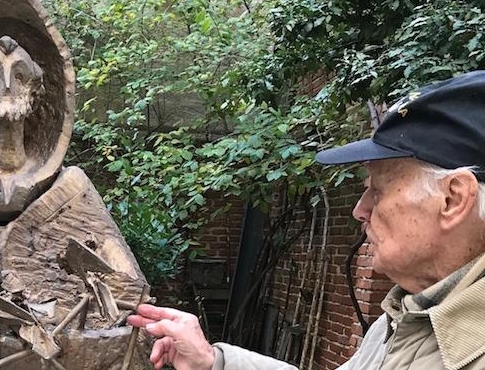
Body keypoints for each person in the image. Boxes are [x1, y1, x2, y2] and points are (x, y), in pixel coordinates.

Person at [128, 71, 485, 370]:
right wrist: (214, 360)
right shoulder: (409, 315)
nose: (359, 210)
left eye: (377, 192)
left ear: (453, 199)